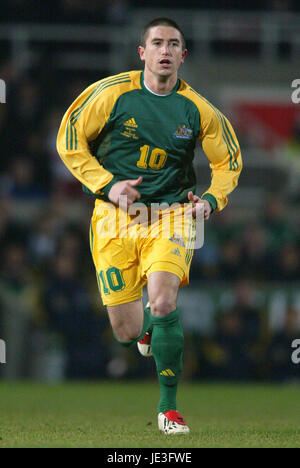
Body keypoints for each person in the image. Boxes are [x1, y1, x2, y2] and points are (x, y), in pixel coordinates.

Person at [57, 17, 242, 434]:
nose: (164, 50)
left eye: (173, 44)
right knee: (126, 331)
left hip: (172, 214)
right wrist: (107, 186)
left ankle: (169, 408)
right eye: (156, 43)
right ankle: (143, 336)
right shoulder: (110, 94)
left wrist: (211, 199)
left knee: (162, 302)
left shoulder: (198, 110)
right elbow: (69, 138)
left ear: (182, 55)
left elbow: (227, 161)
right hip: (115, 218)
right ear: (142, 53)